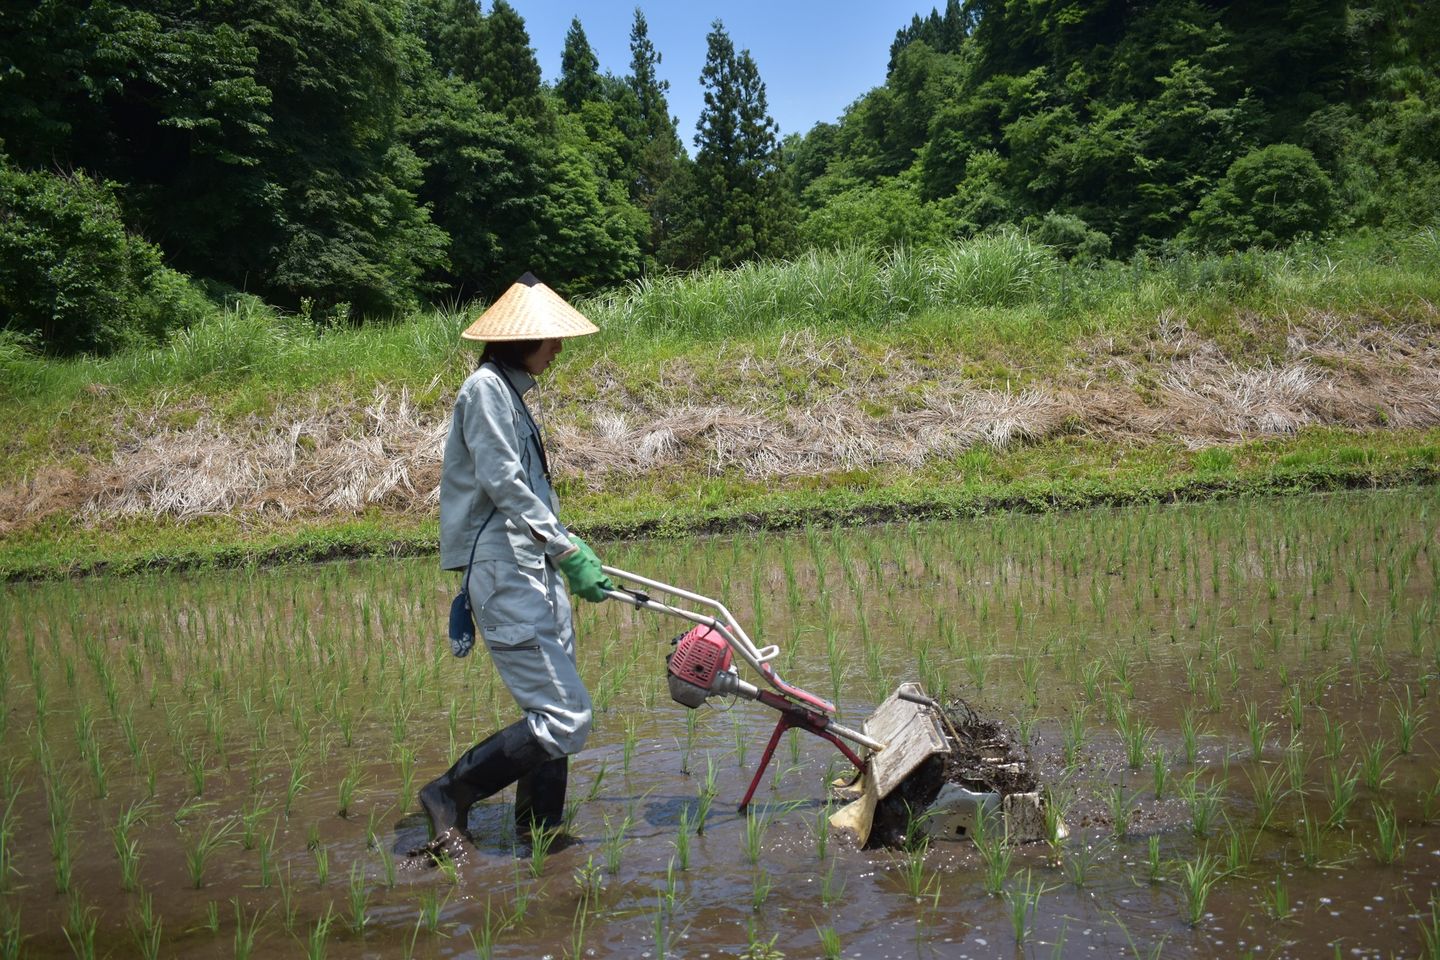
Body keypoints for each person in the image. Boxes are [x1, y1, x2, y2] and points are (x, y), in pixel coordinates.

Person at [418, 272, 613, 857]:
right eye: (552, 339)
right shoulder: (484, 390)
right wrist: (567, 548)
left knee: (552, 704)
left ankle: (540, 827)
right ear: (520, 340)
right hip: (504, 568)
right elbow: (502, 482)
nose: (558, 349)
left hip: (532, 565)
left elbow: (525, 487)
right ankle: (448, 794)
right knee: (567, 716)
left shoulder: (510, 393)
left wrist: (563, 547)